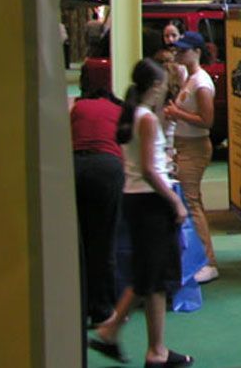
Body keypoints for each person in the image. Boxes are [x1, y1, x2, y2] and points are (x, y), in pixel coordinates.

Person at [89, 59, 193, 367]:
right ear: (157, 86)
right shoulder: (146, 118)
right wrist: (174, 202)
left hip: (135, 199)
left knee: (150, 276)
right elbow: (149, 169)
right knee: (152, 277)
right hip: (150, 201)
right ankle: (135, 341)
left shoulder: (132, 114)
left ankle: (139, 342)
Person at [164, 31, 219, 284]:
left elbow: (207, 121)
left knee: (192, 203)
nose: (179, 53)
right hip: (184, 146)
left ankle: (209, 261)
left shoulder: (202, 83)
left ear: (197, 52)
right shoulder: (190, 78)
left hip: (195, 147)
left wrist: (177, 113)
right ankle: (197, 257)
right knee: (191, 201)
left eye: (184, 50)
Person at [70, 74, 124, 327]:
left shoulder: (78, 107)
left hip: (76, 166)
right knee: (104, 241)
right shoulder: (118, 109)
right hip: (107, 168)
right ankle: (103, 310)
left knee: (79, 241)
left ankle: (78, 306)